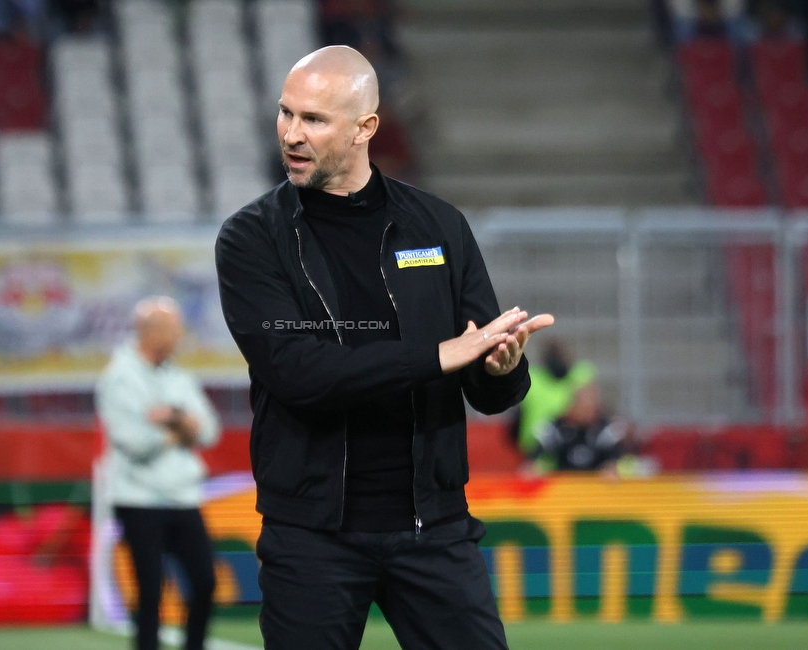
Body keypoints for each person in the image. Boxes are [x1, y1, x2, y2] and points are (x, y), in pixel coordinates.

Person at [214, 46, 554, 650]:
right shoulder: (250, 239)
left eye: (314, 119)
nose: (292, 133)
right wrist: (435, 356)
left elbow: (487, 382)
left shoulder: (440, 227)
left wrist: (504, 368)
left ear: (365, 128)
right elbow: (300, 374)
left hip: (435, 530)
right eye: (285, 113)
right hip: (311, 536)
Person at [95, 297, 220, 650]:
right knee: (150, 588)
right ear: (151, 332)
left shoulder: (179, 376)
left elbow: (209, 430)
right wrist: (182, 428)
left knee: (205, 582)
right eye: (173, 329)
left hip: (182, 496)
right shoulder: (119, 376)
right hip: (138, 498)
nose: (179, 336)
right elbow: (132, 440)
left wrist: (171, 418)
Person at [511, 338, 597, 455]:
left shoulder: (581, 376)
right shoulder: (532, 379)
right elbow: (517, 421)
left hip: (573, 446)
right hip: (536, 449)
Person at [526, 383, 628, 473]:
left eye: (592, 406)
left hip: (595, 488)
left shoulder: (605, 430)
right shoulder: (557, 428)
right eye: (584, 406)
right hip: (563, 486)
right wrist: (534, 469)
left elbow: (613, 459)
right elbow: (534, 458)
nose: (588, 412)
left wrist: (610, 468)